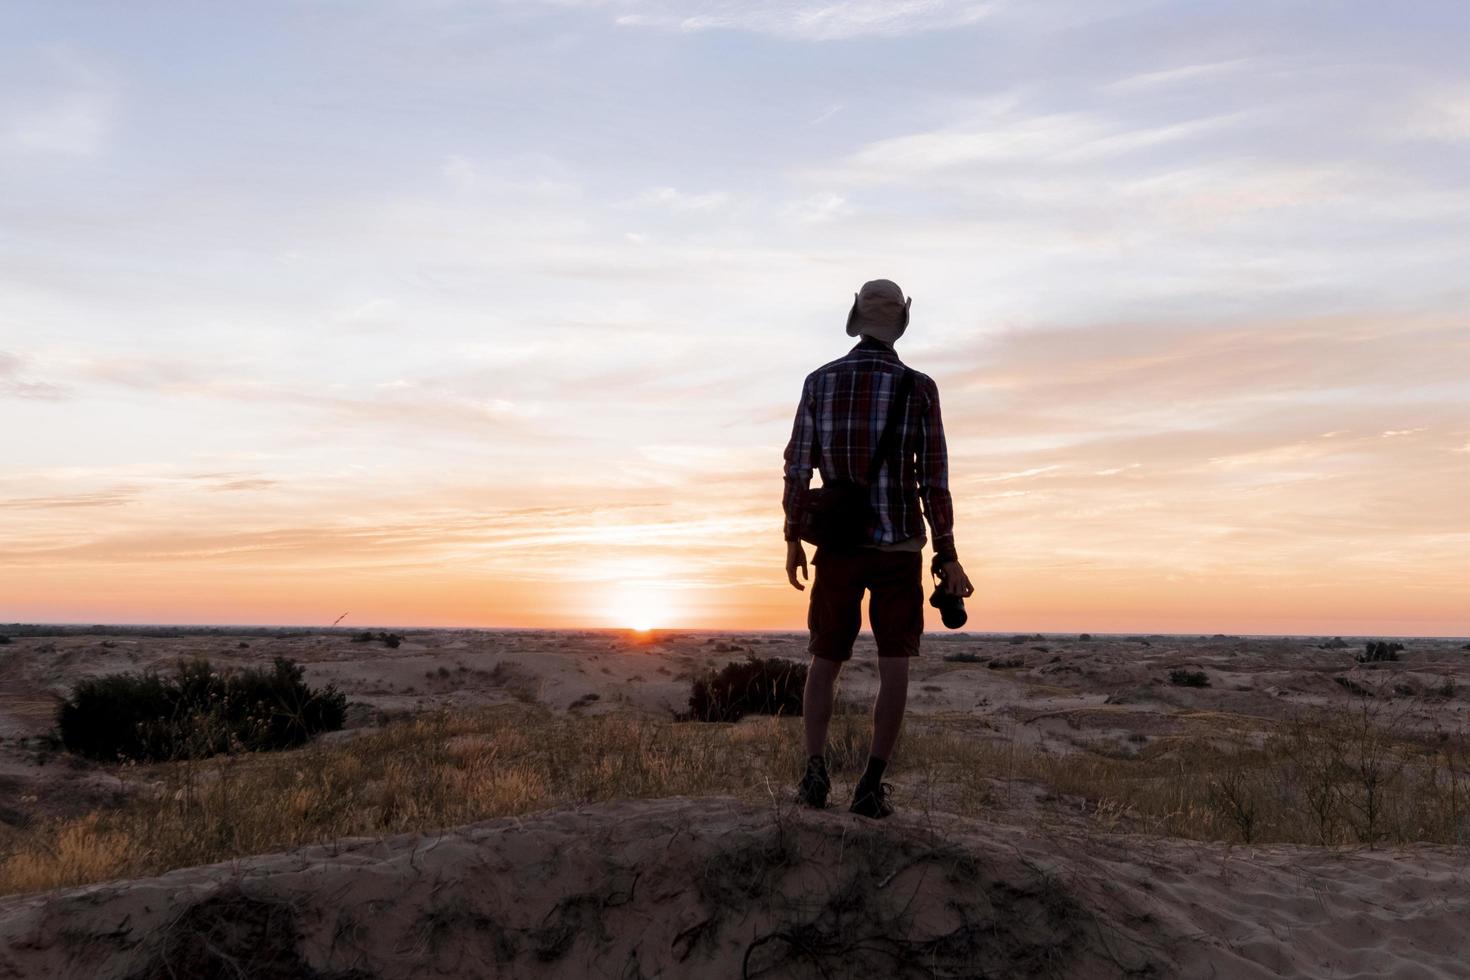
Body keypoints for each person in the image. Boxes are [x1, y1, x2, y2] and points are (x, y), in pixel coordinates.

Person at [781, 278, 973, 819]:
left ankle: (814, 774)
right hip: (899, 546)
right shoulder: (920, 388)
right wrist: (948, 551)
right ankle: (871, 785)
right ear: (900, 326)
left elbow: (798, 466)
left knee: (824, 661)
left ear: (856, 319)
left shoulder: (819, 382)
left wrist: (793, 536)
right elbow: (934, 478)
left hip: (837, 545)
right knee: (895, 666)